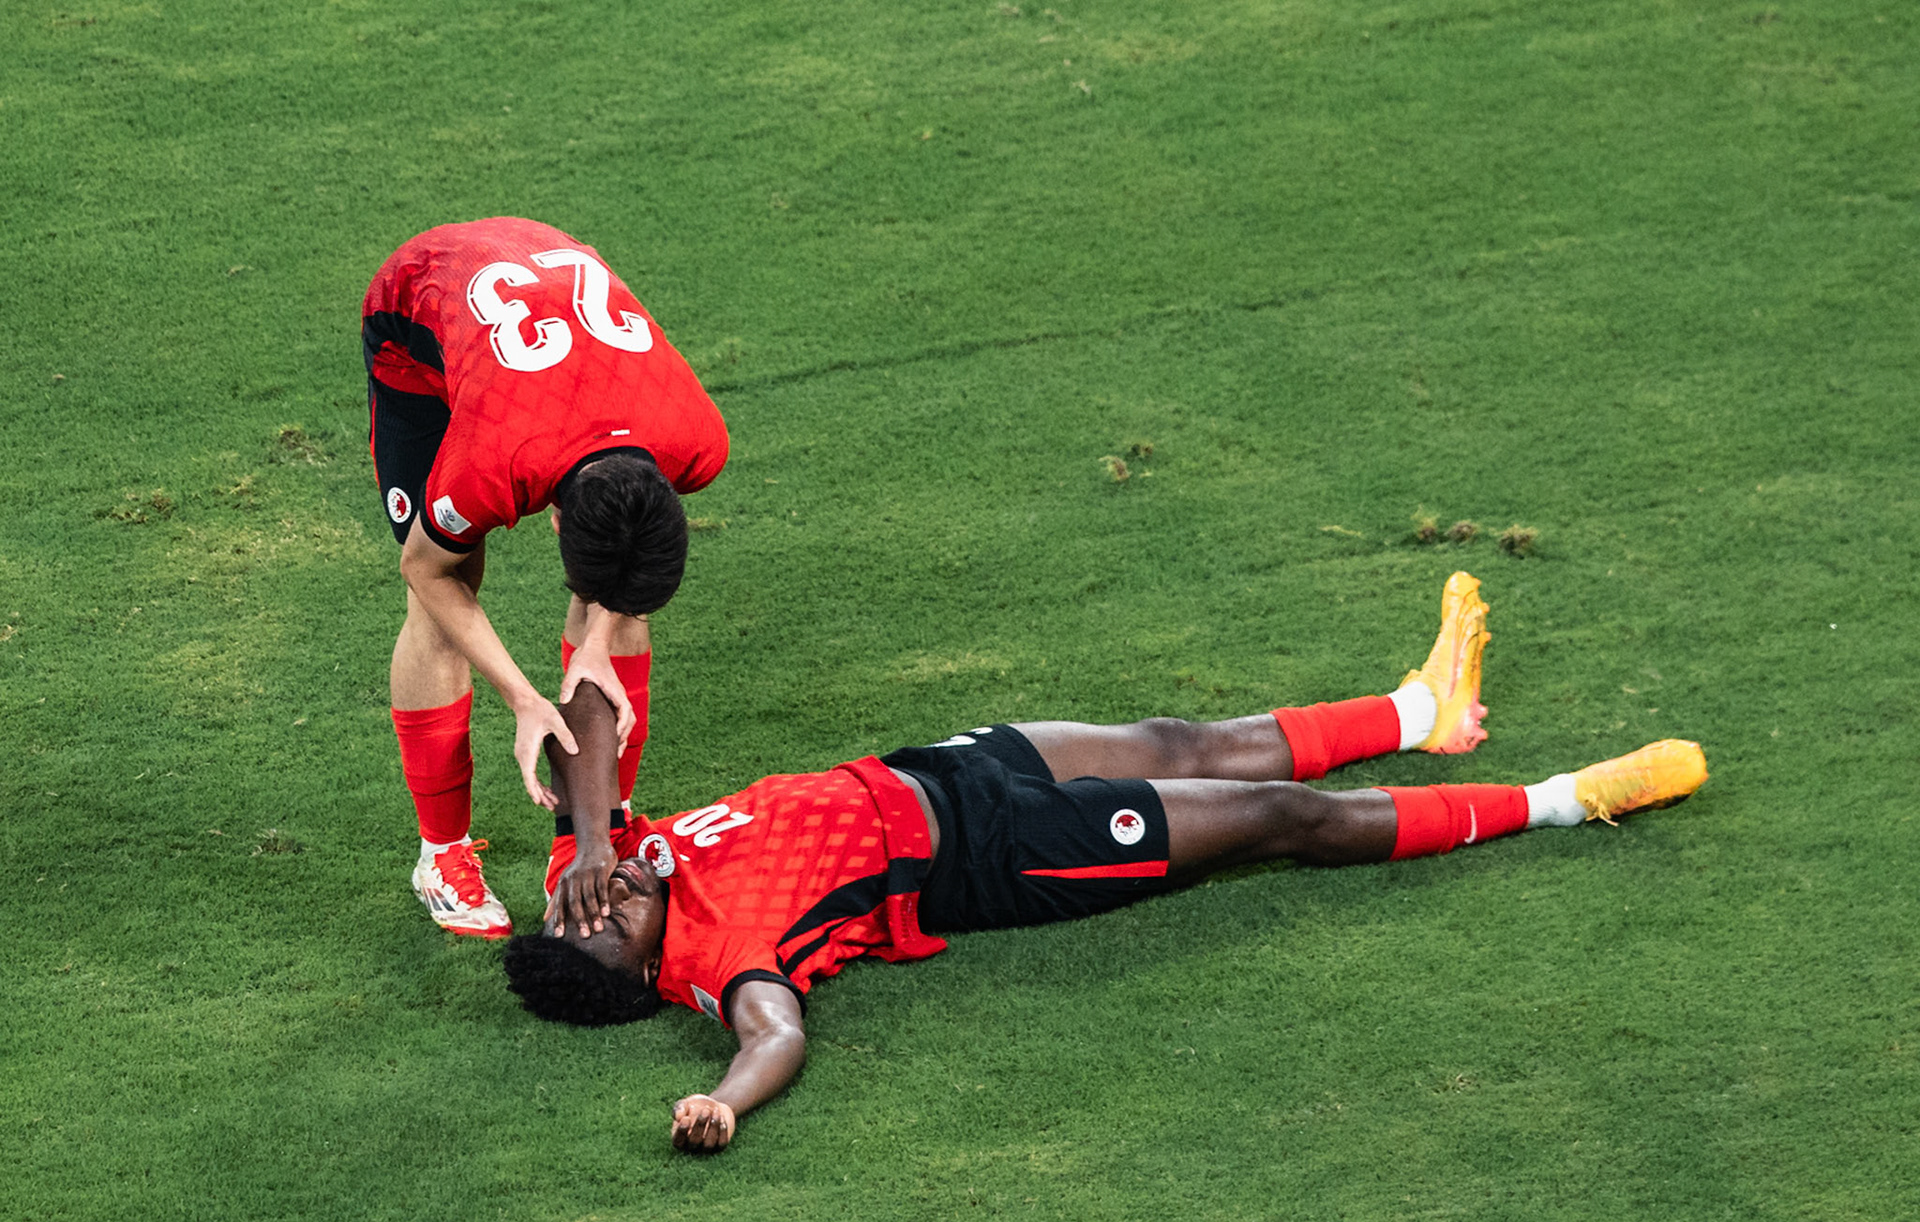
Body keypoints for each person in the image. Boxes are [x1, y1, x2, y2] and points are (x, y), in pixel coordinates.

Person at [502, 573, 1708, 1152]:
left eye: (573, 909)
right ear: (643, 971)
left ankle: (1420, 710)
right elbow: (777, 1033)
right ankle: (1563, 800)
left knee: (1189, 738)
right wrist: (723, 1099)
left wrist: (594, 842)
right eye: (600, 930)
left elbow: (585, 724)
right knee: (1282, 816)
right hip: (1000, 855)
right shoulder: (715, 960)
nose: (594, 905)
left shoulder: (608, 857)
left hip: (940, 769)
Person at [363, 217, 729, 938]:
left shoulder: (698, 442)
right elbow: (425, 568)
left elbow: (624, 557)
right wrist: (524, 697)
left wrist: (600, 638)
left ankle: (588, 837)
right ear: (555, 521)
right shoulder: (491, 468)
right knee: (445, 583)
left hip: (552, 322)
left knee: (622, 601)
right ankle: (440, 855)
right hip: (420, 311)